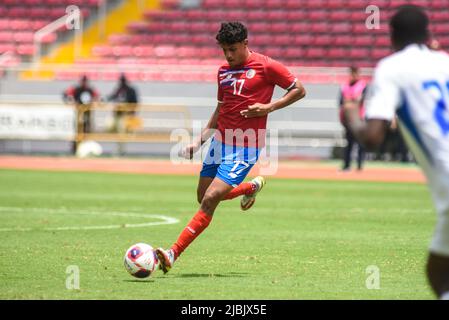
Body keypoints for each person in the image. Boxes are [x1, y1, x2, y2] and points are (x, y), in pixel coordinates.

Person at [155, 22, 306, 273]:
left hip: (246, 146)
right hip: (219, 142)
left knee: (211, 199)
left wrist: (268, 107)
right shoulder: (223, 71)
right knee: (203, 197)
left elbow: (299, 90)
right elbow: (220, 109)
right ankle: (251, 187)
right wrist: (199, 140)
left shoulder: (267, 66)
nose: (228, 55)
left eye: (233, 49)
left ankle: (172, 253)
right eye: (224, 49)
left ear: (245, 44)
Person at [343, 5, 449, 299]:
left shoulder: (392, 68)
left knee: (440, 273)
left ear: (392, 36)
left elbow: (373, 137)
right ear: (428, 34)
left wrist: (351, 114)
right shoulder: (444, 62)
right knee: (438, 270)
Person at [338, 66, 367, 171]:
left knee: (360, 143)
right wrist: (353, 101)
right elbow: (341, 102)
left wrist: (349, 101)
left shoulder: (362, 85)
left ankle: (359, 166)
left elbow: (360, 101)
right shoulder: (344, 86)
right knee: (349, 143)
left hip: (359, 118)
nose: (353, 76)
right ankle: (346, 165)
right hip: (347, 119)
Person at [63, 75, 99, 153]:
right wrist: (70, 100)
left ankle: (85, 149)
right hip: (78, 113)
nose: (84, 83)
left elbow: (97, 96)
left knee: (87, 131)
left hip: (87, 114)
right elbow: (66, 93)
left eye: (85, 81)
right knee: (77, 131)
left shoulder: (90, 90)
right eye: (83, 81)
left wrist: (94, 102)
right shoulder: (77, 89)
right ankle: (75, 148)